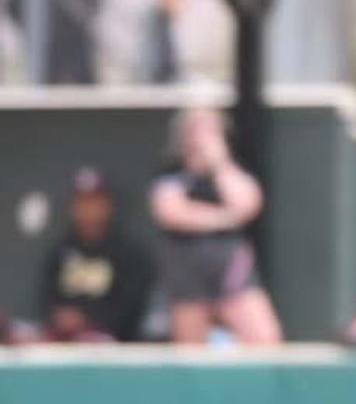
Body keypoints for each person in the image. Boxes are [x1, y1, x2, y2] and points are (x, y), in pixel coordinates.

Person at [149, 106, 282, 345]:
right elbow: (171, 213)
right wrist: (225, 217)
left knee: (264, 339)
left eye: (210, 129)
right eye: (196, 128)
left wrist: (219, 164)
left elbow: (247, 204)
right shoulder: (171, 172)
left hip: (230, 268)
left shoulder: (234, 170)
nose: (201, 136)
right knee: (191, 353)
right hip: (186, 271)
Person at [38, 167, 153, 342]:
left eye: (94, 202)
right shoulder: (60, 252)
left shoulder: (126, 253)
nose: (88, 209)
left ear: (108, 205)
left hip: (111, 343)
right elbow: (48, 300)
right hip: (64, 341)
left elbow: (130, 307)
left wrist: (87, 321)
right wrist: (63, 319)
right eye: (82, 202)